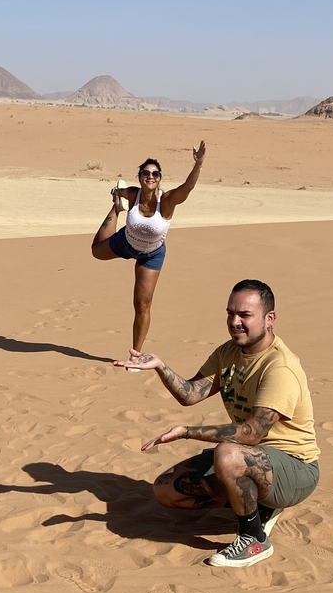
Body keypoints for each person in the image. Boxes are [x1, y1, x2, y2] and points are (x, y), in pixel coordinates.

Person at [113, 279, 320, 569]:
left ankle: (253, 538)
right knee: (168, 489)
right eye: (230, 313)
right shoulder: (228, 353)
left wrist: (187, 432)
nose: (235, 322)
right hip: (250, 459)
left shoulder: (280, 367)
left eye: (245, 315)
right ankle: (259, 505)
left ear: (269, 318)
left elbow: (250, 434)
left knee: (228, 453)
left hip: (295, 467)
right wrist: (160, 366)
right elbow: (190, 393)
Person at [91, 142, 206, 354]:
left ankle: (136, 354)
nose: (150, 176)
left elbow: (187, 187)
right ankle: (116, 210)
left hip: (151, 255)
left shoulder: (168, 201)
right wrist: (116, 193)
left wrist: (198, 164)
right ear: (140, 177)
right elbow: (120, 190)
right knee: (96, 251)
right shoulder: (133, 194)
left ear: (160, 178)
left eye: (155, 173)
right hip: (126, 243)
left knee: (142, 304)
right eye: (146, 172)